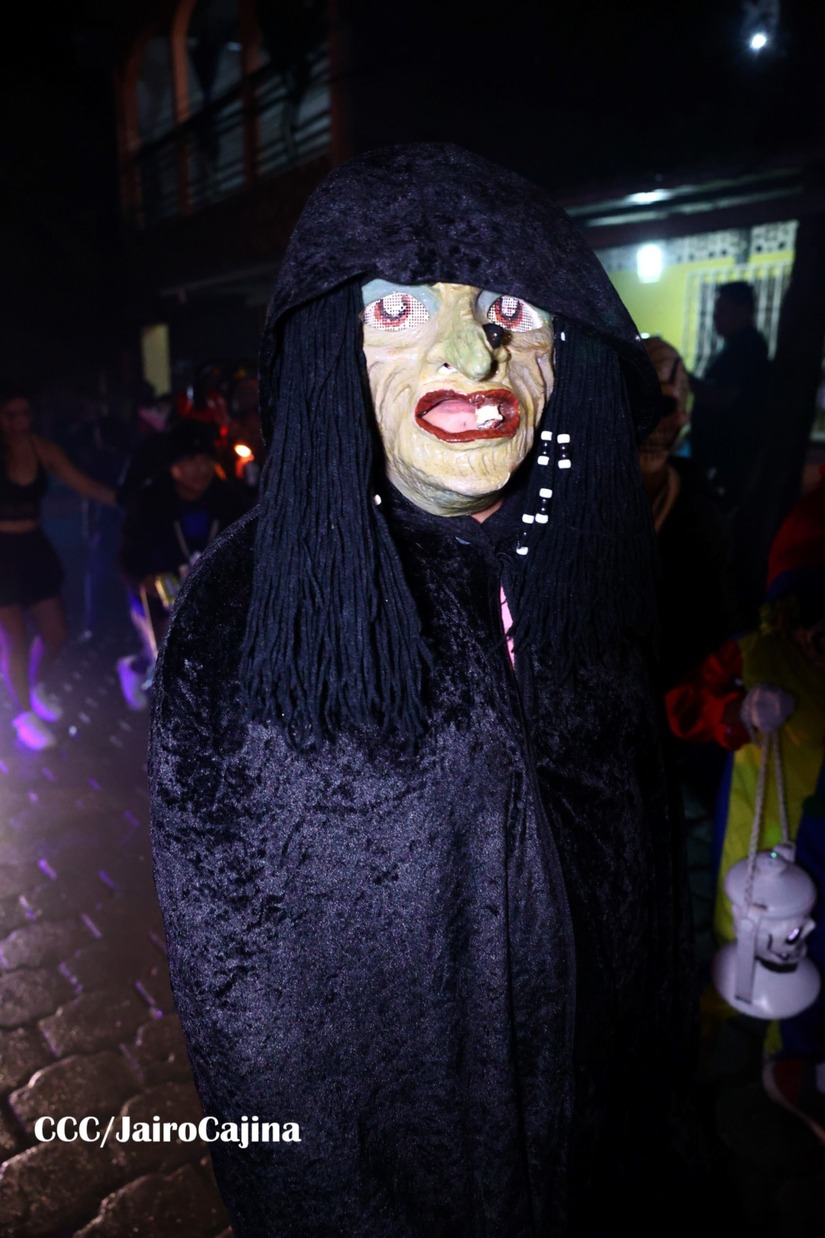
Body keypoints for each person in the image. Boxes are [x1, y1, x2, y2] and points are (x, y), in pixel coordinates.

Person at [149, 144, 702, 1235]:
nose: (470, 352)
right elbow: (250, 1005)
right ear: (333, 350)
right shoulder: (243, 614)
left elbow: (640, 881)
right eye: (399, 308)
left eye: (508, 307)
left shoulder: (584, 568)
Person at [666, 473, 825, 1143]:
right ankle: (719, 1030)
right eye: (811, 615)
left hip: (815, 850)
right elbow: (678, 709)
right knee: (746, 944)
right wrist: (734, 711)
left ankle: (791, 1058)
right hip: (756, 843)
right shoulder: (753, 654)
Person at [0, 385, 118, 750]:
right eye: (11, 415)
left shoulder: (42, 448)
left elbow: (84, 484)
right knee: (14, 638)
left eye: (25, 413)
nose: (20, 422)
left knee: (56, 633)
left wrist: (126, 500)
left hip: (33, 547)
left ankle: (34, 687)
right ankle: (22, 714)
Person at [117, 418, 252, 710]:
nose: (200, 469)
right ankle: (139, 668)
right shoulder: (149, 502)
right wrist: (146, 580)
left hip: (213, 598)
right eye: (190, 460)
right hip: (160, 598)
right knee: (170, 663)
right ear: (172, 464)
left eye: (205, 459)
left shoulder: (230, 500)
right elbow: (128, 558)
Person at [688, 281, 771, 517]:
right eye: (716, 312)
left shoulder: (747, 349)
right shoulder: (736, 347)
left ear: (743, 311)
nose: (715, 318)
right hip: (723, 463)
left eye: (722, 311)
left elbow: (722, 397)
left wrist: (682, 376)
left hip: (729, 464)